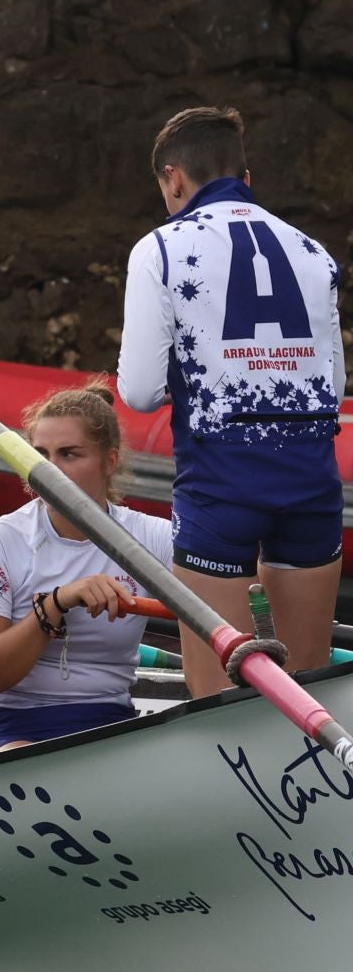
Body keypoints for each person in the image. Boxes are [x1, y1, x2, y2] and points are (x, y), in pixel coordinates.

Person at [116, 105, 345, 697]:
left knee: (217, 694)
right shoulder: (314, 252)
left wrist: (196, 376)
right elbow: (331, 381)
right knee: (308, 683)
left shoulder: (159, 248)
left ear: (173, 178)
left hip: (221, 483)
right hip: (312, 481)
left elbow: (138, 391)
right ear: (245, 175)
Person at [0, 385, 174, 755]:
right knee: (21, 758)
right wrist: (54, 607)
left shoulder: (153, 538)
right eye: (39, 455)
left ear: (110, 460)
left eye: (69, 454)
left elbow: (225, 608)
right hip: (9, 723)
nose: (49, 470)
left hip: (106, 720)